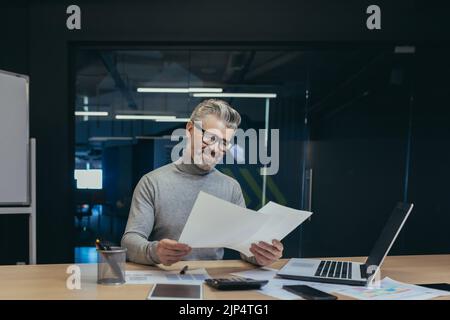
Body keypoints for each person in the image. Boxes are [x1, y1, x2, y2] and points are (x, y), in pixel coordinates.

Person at [121, 99, 283, 266]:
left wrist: (261, 255)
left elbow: (245, 246)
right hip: (164, 277)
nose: (215, 149)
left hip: (213, 284)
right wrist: (154, 252)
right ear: (190, 130)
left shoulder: (230, 188)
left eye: (224, 143)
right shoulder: (152, 183)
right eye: (210, 138)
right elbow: (130, 241)